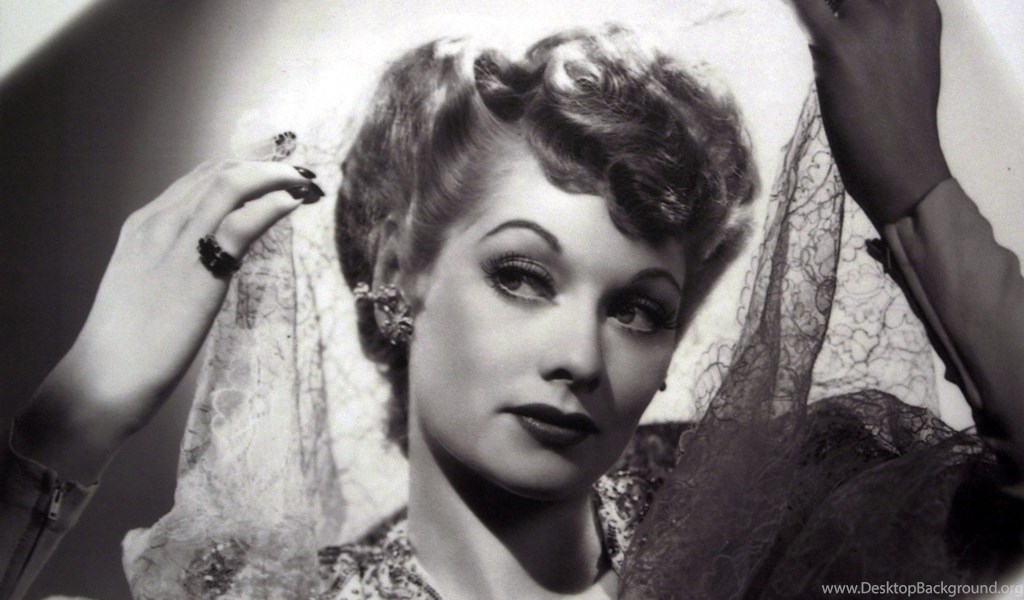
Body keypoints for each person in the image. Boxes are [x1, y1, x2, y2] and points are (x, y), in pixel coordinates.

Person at [3, 1, 1023, 599]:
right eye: (522, 276)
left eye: (637, 309)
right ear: (398, 275)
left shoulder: (763, 530)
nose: (580, 355)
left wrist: (915, 193)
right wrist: (69, 427)